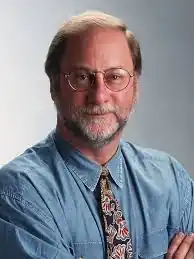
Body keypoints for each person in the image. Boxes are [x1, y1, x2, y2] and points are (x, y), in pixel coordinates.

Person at [0, 10, 193, 259]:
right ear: (54, 85)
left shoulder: (171, 180)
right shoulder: (19, 193)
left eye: (114, 77)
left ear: (135, 87)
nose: (99, 96)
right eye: (82, 77)